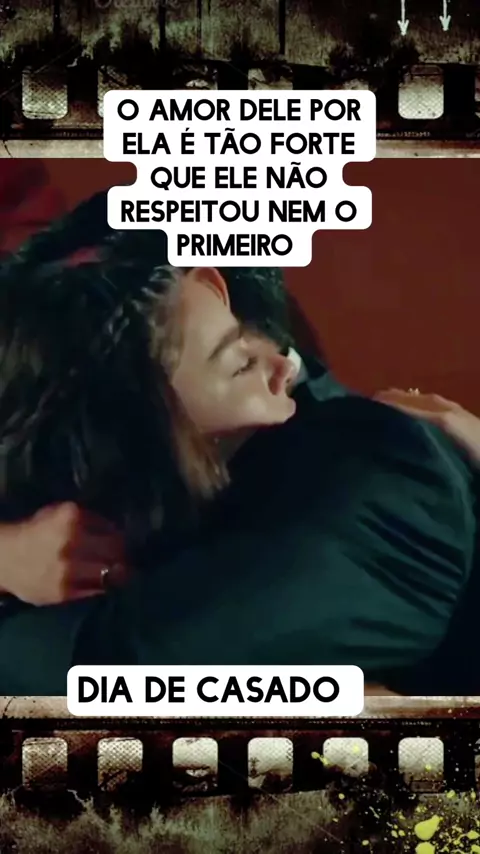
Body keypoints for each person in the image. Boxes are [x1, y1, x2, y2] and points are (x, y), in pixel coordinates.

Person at [0, 195, 476, 696]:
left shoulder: (382, 480)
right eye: (241, 361)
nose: (285, 365)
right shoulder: (81, 467)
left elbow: (112, 674)